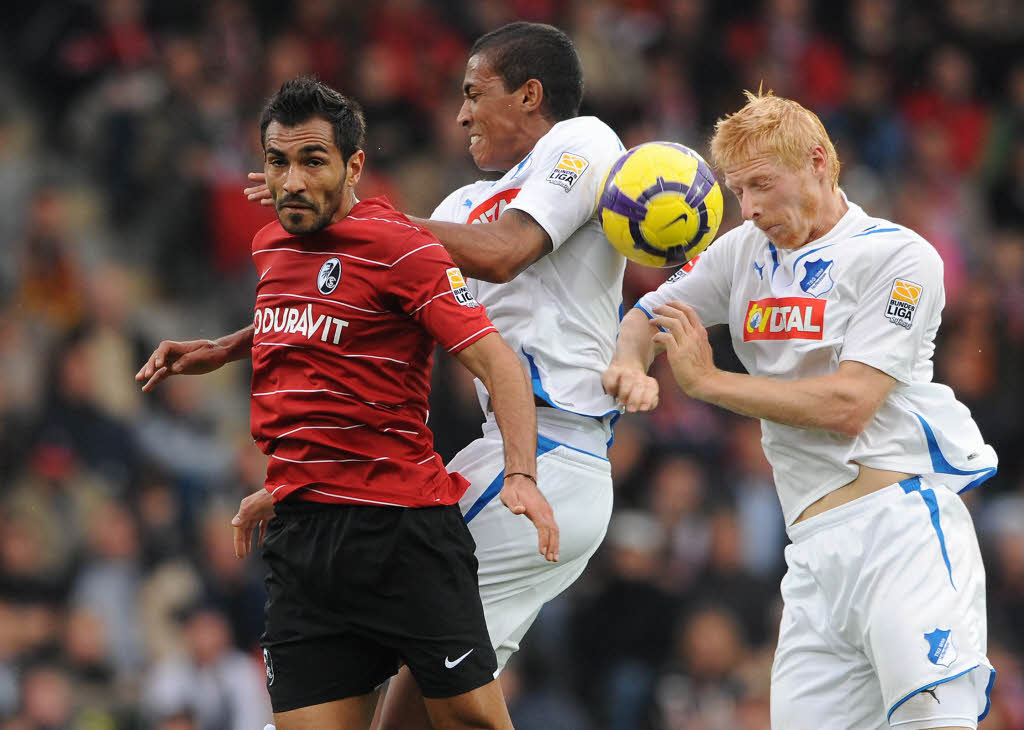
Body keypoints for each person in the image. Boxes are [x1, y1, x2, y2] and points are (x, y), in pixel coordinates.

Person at [144, 21, 626, 729]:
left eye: (474, 93)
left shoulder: (582, 143)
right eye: (282, 163)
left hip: (546, 457)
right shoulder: (460, 207)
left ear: (530, 95)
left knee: (441, 712)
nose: (459, 113)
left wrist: (353, 215)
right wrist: (237, 345)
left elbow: (503, 252)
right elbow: (365, 304)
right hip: (506, 455)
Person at [604, 89, 998, 730]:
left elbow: (850, 403)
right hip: (812, 553)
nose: (750, 207)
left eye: (762, 183)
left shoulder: (898, 258)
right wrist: (628, 361)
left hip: (899, 532)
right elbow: (650, 314)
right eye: (738, 192)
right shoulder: (740, 253)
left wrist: (708, 384)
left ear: (818, 161)